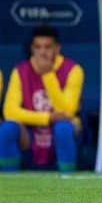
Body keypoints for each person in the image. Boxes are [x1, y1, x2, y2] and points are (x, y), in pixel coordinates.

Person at [0, 25, 84, 171]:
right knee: (8, 128)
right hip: (31, 132)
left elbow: (67, 112)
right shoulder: (20, 71)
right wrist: (47, 118)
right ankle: (9, 181)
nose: (42, 52)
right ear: (32, 49)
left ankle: (68, 180)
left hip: (62, 131)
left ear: (57, 49)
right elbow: (9, 111)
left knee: (63, 127)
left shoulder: (73, 70)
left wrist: (47, 74)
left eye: (47, 47)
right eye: (38, 47)